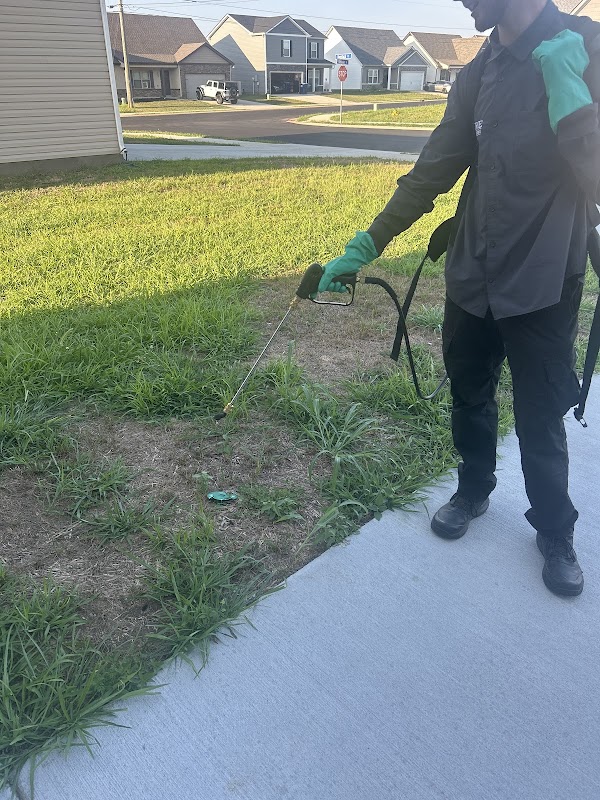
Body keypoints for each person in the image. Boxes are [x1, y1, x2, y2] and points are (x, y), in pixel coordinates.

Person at [317, 0, 600, 597]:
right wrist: (367, 244)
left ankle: (555, 529)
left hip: (544, 280)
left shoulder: (586, 47)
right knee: (469, 393)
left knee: (539, 415)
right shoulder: (479, 72)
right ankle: (474, 489)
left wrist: (571, 97)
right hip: (473, 272)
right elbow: (433, 170)